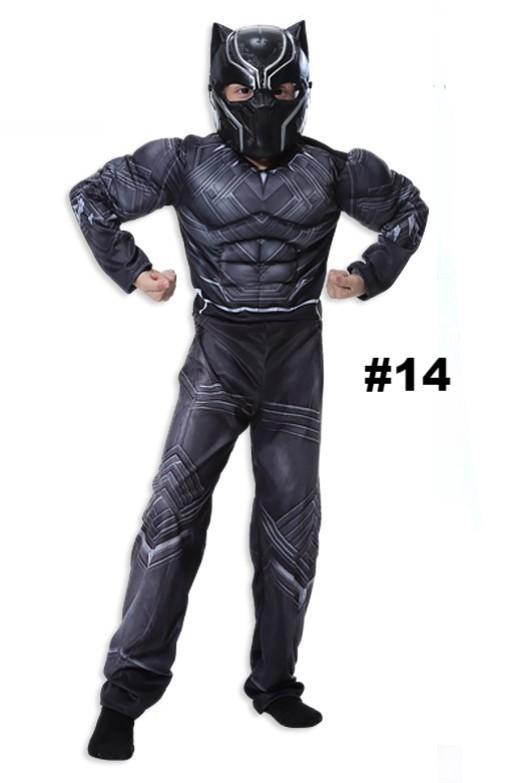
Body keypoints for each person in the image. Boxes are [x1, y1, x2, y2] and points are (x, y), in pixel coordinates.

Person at [68, 20, 429, 759]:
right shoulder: (183, 161)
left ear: (303, 89)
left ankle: (276, 683)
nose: (262, 102)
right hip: (220, 351)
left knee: (291, 527)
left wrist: (369, 276)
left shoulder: (333, 168)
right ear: (219, 90)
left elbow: (410, 209)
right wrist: (133, 270)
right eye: (243, 90)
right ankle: (125, 695)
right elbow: (91, 197)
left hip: (295, 354)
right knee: (171, 515)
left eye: (281, 87)